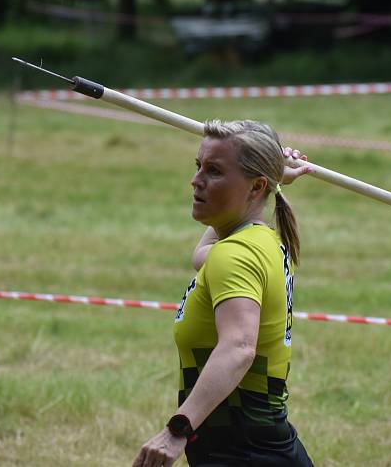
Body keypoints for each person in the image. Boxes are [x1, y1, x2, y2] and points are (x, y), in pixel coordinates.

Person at [133, 119, 315, 467]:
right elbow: (201, 257)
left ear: (254, 187)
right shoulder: (261, 242)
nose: (196, 180)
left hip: (243, 454)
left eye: (214, 171)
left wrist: (177, 431)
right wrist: (275, 181)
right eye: (198, 166)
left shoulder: (237, 256)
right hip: (259, 445)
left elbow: (238, 347)